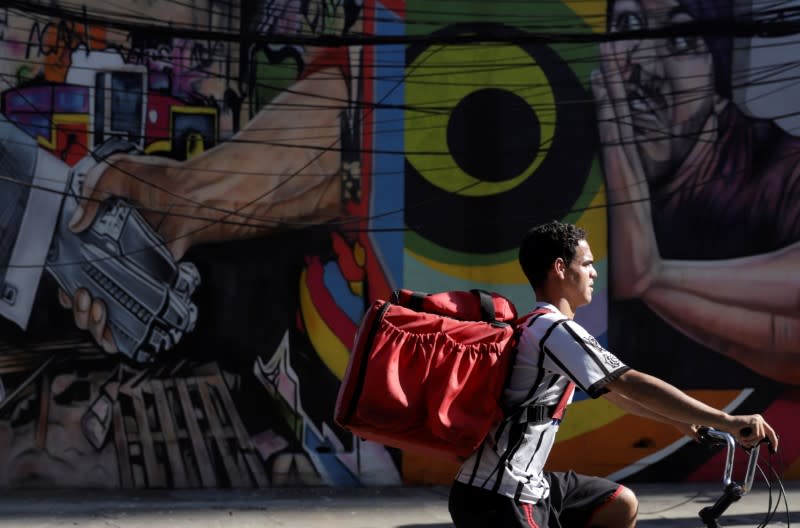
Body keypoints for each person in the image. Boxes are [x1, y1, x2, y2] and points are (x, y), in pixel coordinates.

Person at [448, 220, 779, 528]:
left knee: (619, 504)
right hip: (498, 496)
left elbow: (618, 395)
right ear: (560, 268)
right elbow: (629, 382)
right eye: (587, 263)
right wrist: (727, 420)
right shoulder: (554, 330)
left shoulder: (542, 328)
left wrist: (681, 422)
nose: (594, 273)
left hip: (525, 484)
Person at [592, 0, 800, 385]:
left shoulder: (776, 167)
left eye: (682, 40)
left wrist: (652, 274)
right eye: (629, 26)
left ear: (718, 84)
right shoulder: (571, 168)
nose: (646, 65)